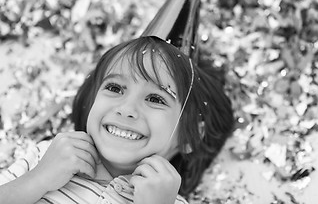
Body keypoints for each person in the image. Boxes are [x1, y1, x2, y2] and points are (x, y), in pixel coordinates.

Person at [0, 36, 234, 203]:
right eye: (114, 87)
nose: (126, 109)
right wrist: (38, 179)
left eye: (155, 98)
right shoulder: (47, 156)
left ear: (190, 134)